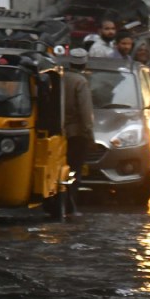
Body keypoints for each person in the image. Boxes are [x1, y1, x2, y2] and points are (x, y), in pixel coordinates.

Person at [63, 48, 95, 214]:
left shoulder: (61, 78)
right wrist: (90, 134)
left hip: (61, 132)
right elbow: (85, 111)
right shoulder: (80, 82)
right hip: (77, 134)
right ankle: (71, 204)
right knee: (74, 170)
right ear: (84, 63)